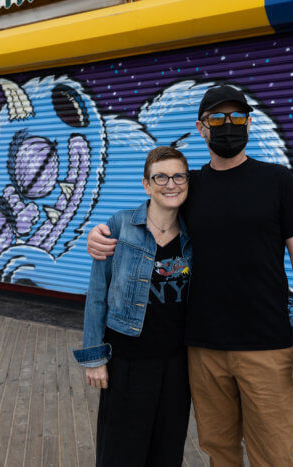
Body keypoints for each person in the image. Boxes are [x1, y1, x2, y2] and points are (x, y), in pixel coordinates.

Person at [88, 85, 293, 466]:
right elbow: (145, 218)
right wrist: (100, 234)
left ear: (249, 123)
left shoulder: (277, 181)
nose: (227, 125)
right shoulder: (189, 187)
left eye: (236, 118)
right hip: (202, 351)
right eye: (217, 118)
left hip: (265, 348)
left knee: (274, 456)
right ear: (201, 127)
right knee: (220, 452)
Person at [73, 146, 193, 466]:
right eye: (161, 177)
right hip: (127, 361)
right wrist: (94, 356)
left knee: (167, 451)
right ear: (146, 184)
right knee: (120, 453)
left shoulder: (195, 233)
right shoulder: (120, 226)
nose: (171, 184)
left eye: (179, 176)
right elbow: (98, 293)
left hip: (177, 365)